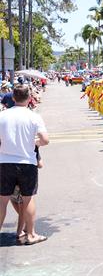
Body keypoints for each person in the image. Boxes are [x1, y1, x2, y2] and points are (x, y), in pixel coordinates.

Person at [0, 84, 49, 245]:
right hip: (27, 162)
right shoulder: (33, 116)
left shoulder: (3, 116)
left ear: (13, 98)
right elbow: (45, 140)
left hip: (5, 161)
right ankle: (31, 234)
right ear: (29, 98)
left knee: (2, 200)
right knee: (28, 199)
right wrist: (34, 142)